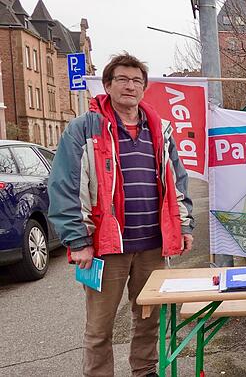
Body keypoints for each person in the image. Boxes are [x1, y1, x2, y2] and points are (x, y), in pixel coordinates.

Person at [48, 53, 195, 377]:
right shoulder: (84, 129)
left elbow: (176, 182)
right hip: (105, 248)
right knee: (100, 327)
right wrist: (78, 240)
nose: (130, 86)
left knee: (148, 317)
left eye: (137, 81)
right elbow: (63, 186)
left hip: (152, 245)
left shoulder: (160, 130)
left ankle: (144, 370)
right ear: (108, 85)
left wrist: (183, 225)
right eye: (123, 79)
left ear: (145, 88)